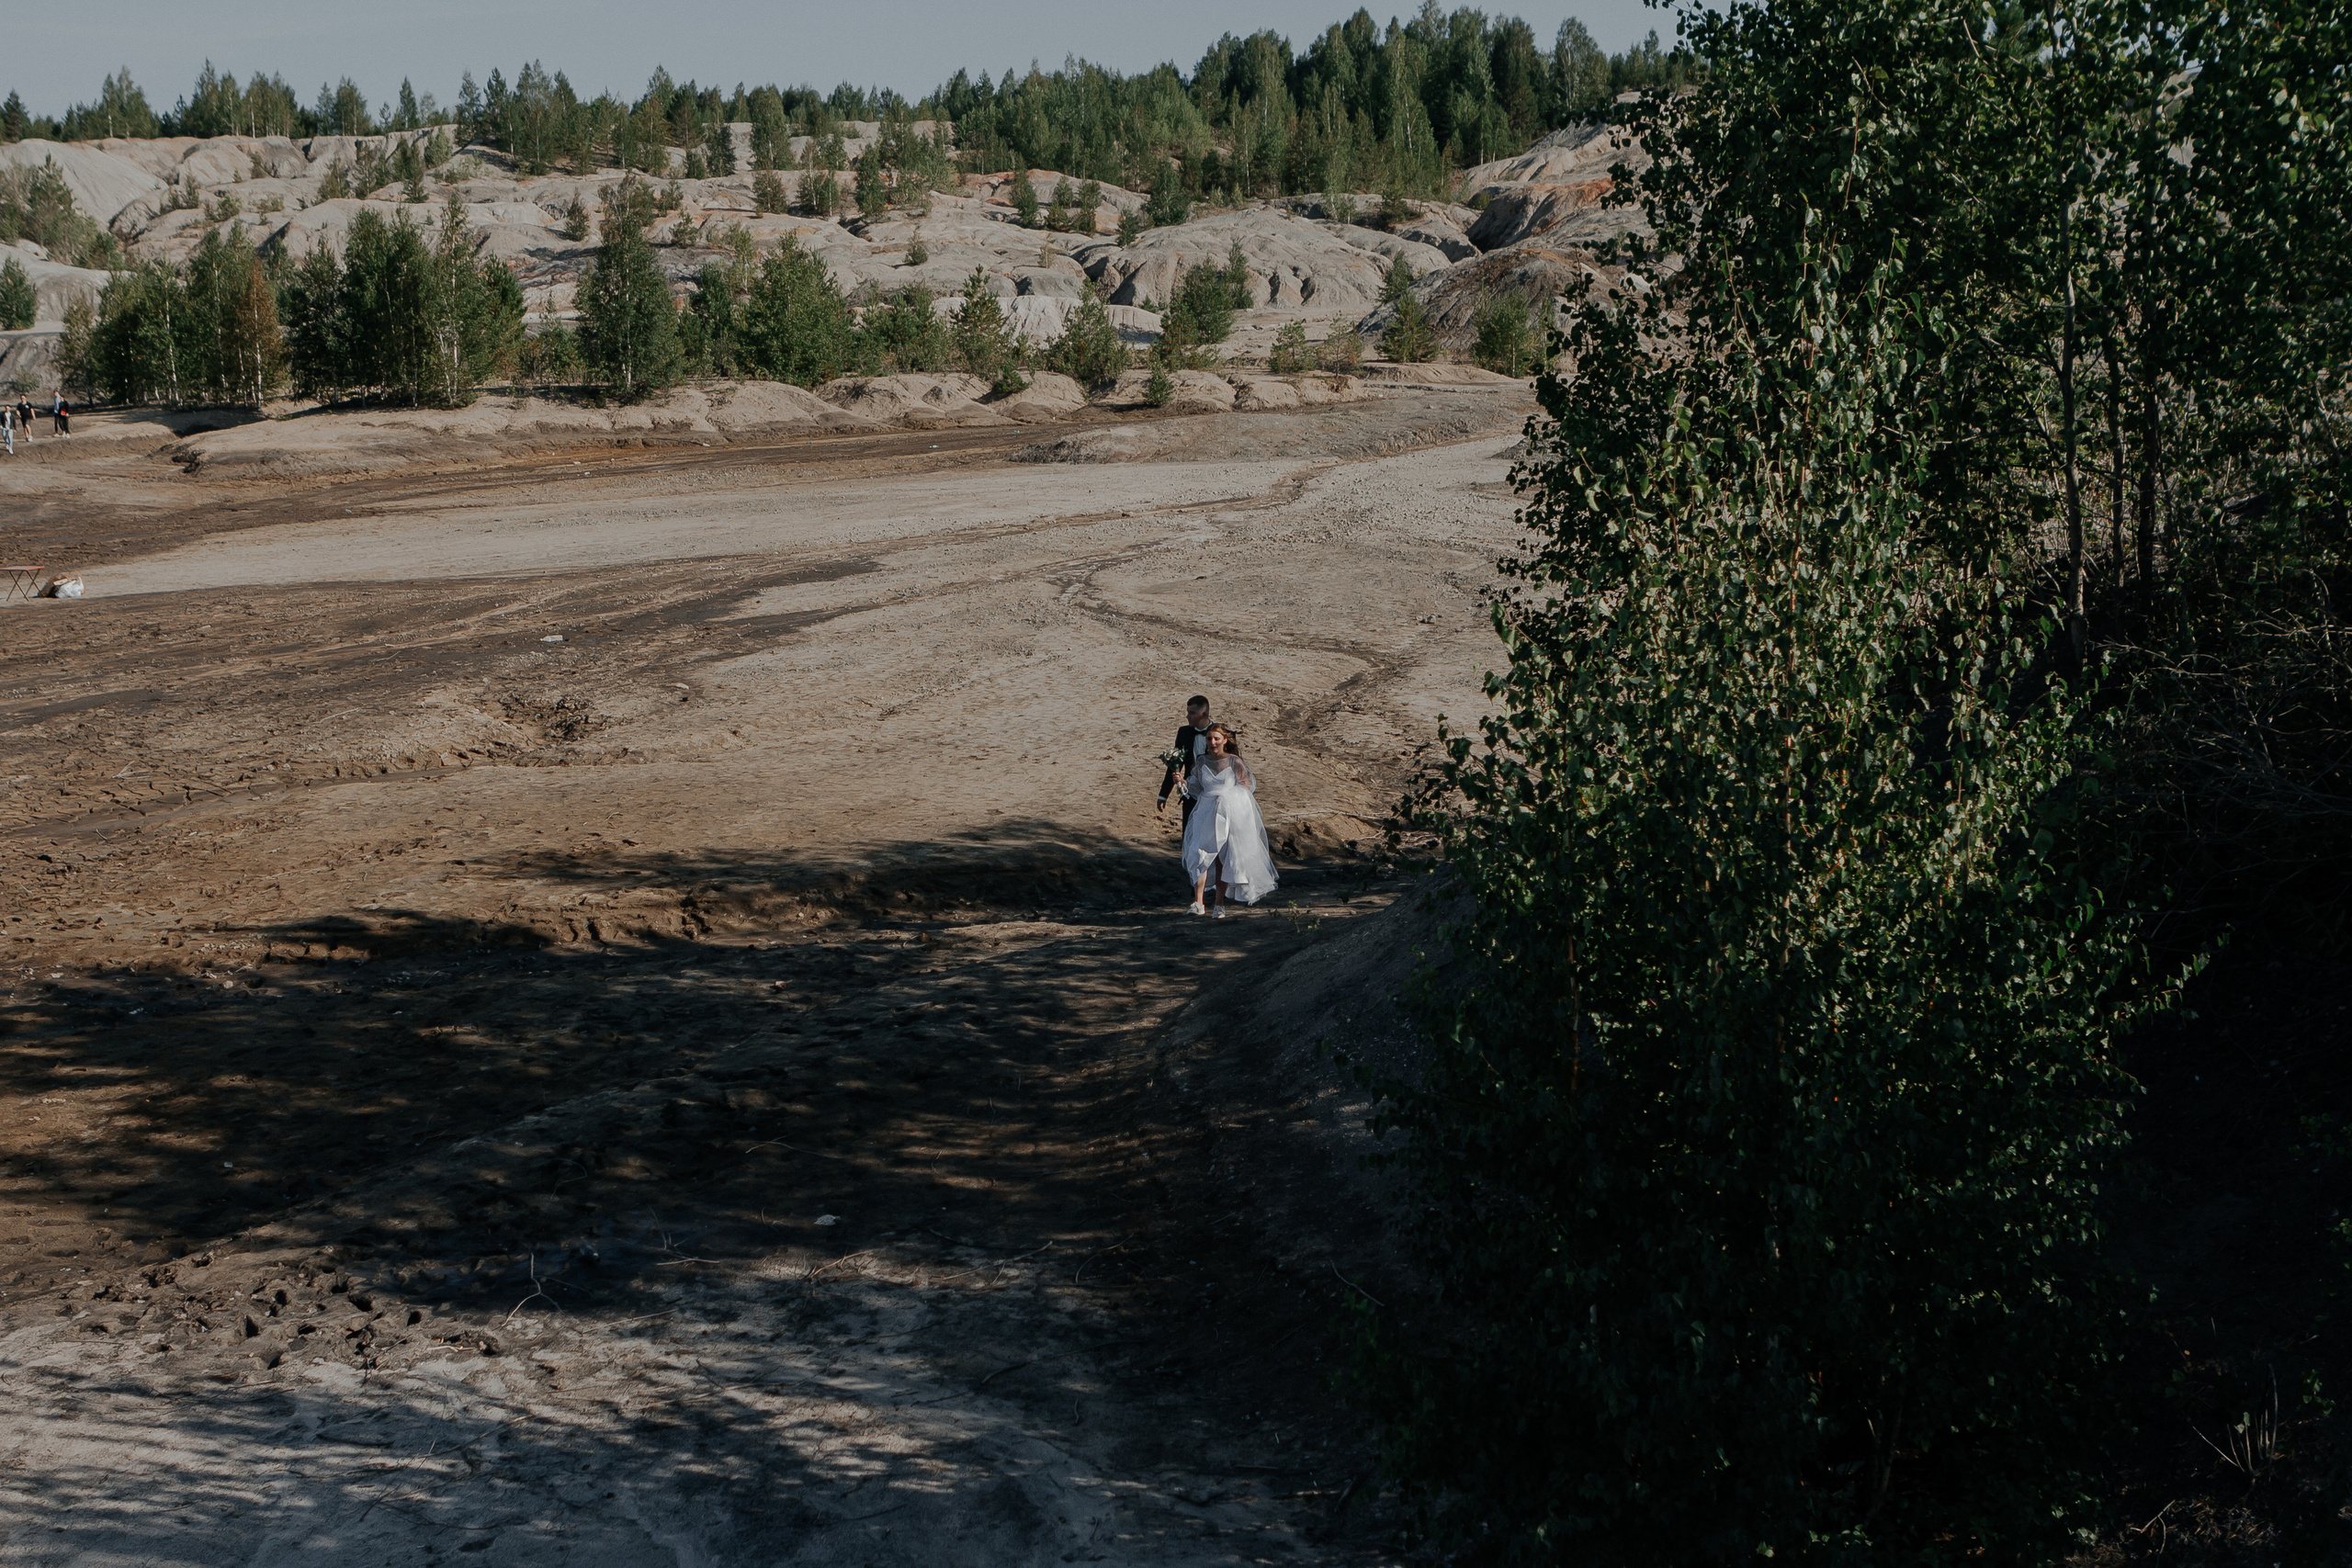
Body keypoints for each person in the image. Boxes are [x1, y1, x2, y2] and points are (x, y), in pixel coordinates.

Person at [1180, 723, 1276, 917]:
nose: (1212, 742)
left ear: (1225, 740)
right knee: (1199, 853)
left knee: (1222, 857)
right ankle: (1198, 903)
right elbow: (1197, 789)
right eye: (1209, 738)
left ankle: (1219, 904)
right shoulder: (1201, 761)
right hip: (1205, 811)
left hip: (1227, 812)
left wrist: (1228, 799)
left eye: (1216, 738)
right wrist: (1182, 782)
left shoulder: (1234, 761)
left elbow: (1246, 787)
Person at [1155, 694, 1215, 827]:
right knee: (1189, 833)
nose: (1188, 716)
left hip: (1213, 794)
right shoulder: (1184, 733)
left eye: (1192, 713)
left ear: (1204, 714)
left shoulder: (1219, 733)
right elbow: (1175, 764)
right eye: (1188, 712)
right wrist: (1163, 794)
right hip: (1190, 793)